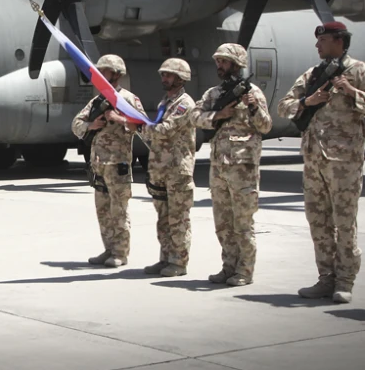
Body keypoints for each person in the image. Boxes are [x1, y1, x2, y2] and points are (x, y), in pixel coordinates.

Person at [277, 22, 365, 303]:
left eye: (323, 40)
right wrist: (307, 100)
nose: (317, 46)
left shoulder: (359, 71)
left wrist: (352, 92)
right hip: (314, 162)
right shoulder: (313, 74)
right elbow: (283, 106)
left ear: (339, 41)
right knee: (318, 223)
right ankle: (325, 279)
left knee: (344, 224)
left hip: (345, 163)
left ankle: (345, 282)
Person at [189, 43, 272, 286]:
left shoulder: (253, 93)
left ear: (236, 64)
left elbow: (266, 126)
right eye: (218, 62)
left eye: (224, 62)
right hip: (219, 168)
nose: (220, 66)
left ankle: (244, 271)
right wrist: (218, 115)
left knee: (243, 224)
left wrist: (253, 105)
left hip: (243, 169)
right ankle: (228, 267)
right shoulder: (214, 94)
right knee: (223, 224)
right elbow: (194, 117)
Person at [72, 54, 144, 268]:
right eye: (100, 71)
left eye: (105, 71)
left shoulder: (128, 100)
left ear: (116, 75)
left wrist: (118, 119)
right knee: (103, 210)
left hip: (118, 165)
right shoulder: (97, 101)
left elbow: (141, 126)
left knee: (118, 210)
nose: (101, 75)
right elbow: (76, 124)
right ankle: (108, 248)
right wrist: (90, 126)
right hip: (99, 165)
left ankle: (120, 253)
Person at [139, 58, 197, 277]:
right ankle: (165, 258)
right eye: (163, 74)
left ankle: (179, 262)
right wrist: (144, 128)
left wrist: (140, 125)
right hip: (161, 168)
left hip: (177, 170)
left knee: (178, 218)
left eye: (168, 75)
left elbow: (166, 129)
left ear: (180, 78)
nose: (164, 78)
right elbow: (154, 134)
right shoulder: (165, 101)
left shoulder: (185, 104)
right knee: (163, 218)